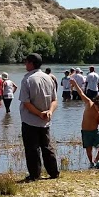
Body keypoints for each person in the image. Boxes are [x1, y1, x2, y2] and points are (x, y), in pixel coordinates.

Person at [18, 53, 60, 182]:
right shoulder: (49, 78)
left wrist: (39, 114)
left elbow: (26, 102)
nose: (25, 64)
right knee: (47, 147)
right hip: (45, 121)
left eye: (26, 62)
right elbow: (55, 100)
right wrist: (50, 112)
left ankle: (35, 175)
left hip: (30, 120)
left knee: (32, 149)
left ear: (31, 63)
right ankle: (53, 172)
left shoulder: (27, 79)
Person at [70, 78, 99, 169]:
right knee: (89, 148)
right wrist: (75, 84)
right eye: (98, 107)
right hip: (86, 131)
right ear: (96, 103)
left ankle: (96, 160)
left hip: (95, 131)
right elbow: (81, 93)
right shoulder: (89, 103)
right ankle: (91, 163)